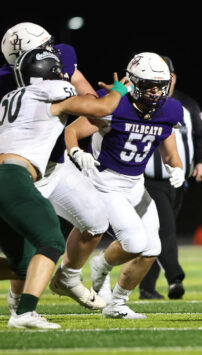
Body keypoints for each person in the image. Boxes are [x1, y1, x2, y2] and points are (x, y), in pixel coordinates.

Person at [0, 48, 130, 329]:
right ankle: (24, 314)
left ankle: (24, 310)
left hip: (8, 174)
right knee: (52, 241)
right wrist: (119, 88)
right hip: (12, 176)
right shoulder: (50, 90)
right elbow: (103, 109)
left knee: (21, 264)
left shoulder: (9, 97)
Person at [65, 52, 185, 319]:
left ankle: (116, 303)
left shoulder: (169, 110)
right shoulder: (114, 104)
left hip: (135, 185)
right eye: (149, 86)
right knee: (133, 242)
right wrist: (76, 152)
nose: (155, 92)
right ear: (133, 82)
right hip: (105, 183)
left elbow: (170, 153)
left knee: (152, 249)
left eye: (160, 86)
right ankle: (100, 265)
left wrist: (177, 168)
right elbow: (72, 130)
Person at [139, 56, 202, 300]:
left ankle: (147, 288)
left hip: (179, 181)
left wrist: (201, 162)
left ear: (173, 78)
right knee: (164, 229)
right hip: (149, 180)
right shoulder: (139, 105)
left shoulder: (186, 103)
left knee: (157, 234)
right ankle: (174, 278)